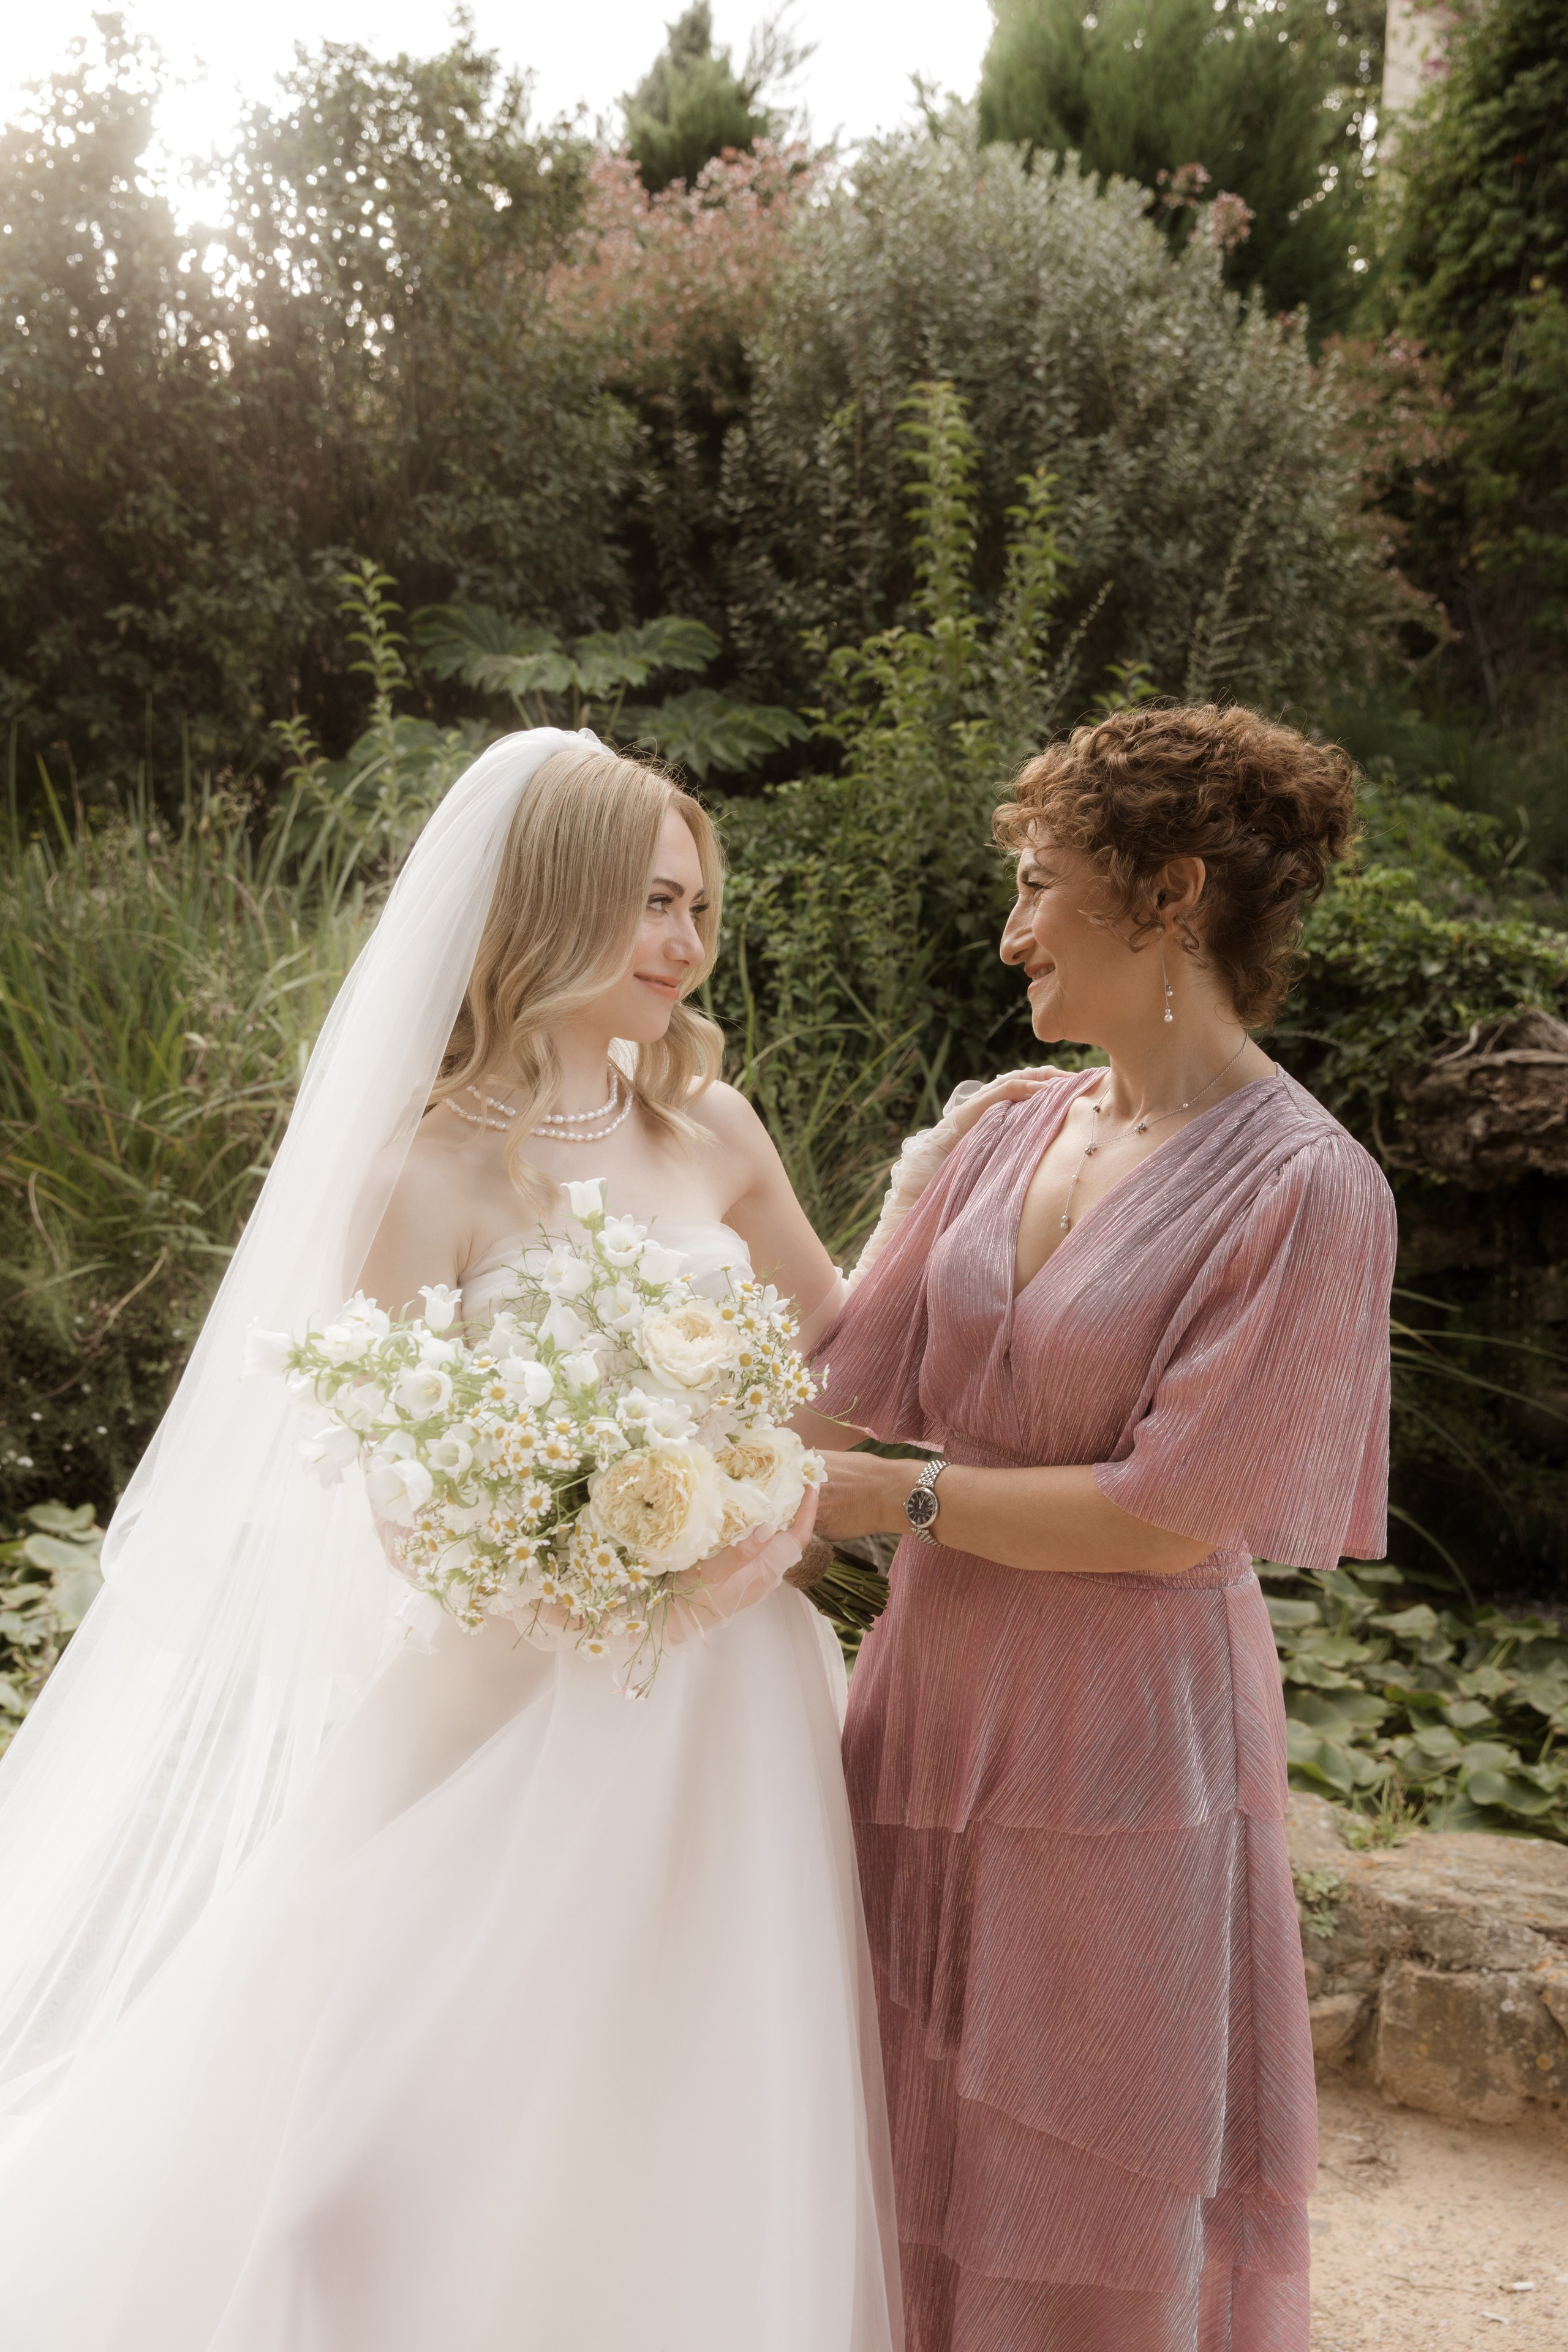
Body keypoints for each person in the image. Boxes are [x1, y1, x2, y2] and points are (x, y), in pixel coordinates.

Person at [0, 733, 902, 2351]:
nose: (684, 944)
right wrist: (619, 1564)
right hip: (505, 1701)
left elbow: (845, 1366)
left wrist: (769, 1496)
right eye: (646, 902)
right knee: (358, 2155)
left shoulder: (714, 1132)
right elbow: (404, 1500)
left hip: (731, 1713)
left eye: (698, 906)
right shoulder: (424, 1170)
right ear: (544, 905)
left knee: (671, 2113)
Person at [807, 703, 1398, 2352]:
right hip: (927, 1705)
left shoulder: (1310, 1189)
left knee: (1078, 2172)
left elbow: (1164, 1520)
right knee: (883, 2124)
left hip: (1120, 1739)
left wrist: (902, 1497)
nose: (1009, 935)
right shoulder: (1005, 1126)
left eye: (1040, 882)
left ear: (1172, 896)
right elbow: (827, 1380)